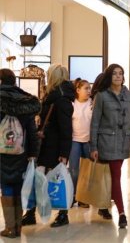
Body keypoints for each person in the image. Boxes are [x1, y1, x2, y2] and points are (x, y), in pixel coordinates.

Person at [90, 64, 130, 228]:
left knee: (114, 177)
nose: (118, 77)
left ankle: (108, 208)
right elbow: (95, 123)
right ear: (109, 76)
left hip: (122, 143)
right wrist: (93, 147)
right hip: (105, 142)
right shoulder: (101, 96)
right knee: (112, 178)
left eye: (121, 74)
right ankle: (121, 213)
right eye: (114, 74)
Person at [22, 64, 75, 228]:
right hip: (46, 145)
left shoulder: (61, 99)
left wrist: (64, 153)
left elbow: (66, 129)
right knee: (38, 179)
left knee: (55, 181)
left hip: (54, 147)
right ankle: (31, 212)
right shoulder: (53, 97)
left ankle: (63, 213)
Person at [0, 69, 40, 238]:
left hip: (2, 153)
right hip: (21, 152)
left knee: (6, 186)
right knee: (18, 185)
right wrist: (33, 153)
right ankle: (18, 227)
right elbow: (32, 132)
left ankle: (10, 228)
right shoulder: (26, 102)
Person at [69, 79, 92, 209]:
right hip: (75, 140)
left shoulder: (92, 103)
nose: (89, 91)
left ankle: (84, 197)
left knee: (87, 170)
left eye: (89, 88)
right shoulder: (72, 104)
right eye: (86, 88)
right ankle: (73, 196)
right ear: (78, 90)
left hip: (88, 141)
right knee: (74, 170)